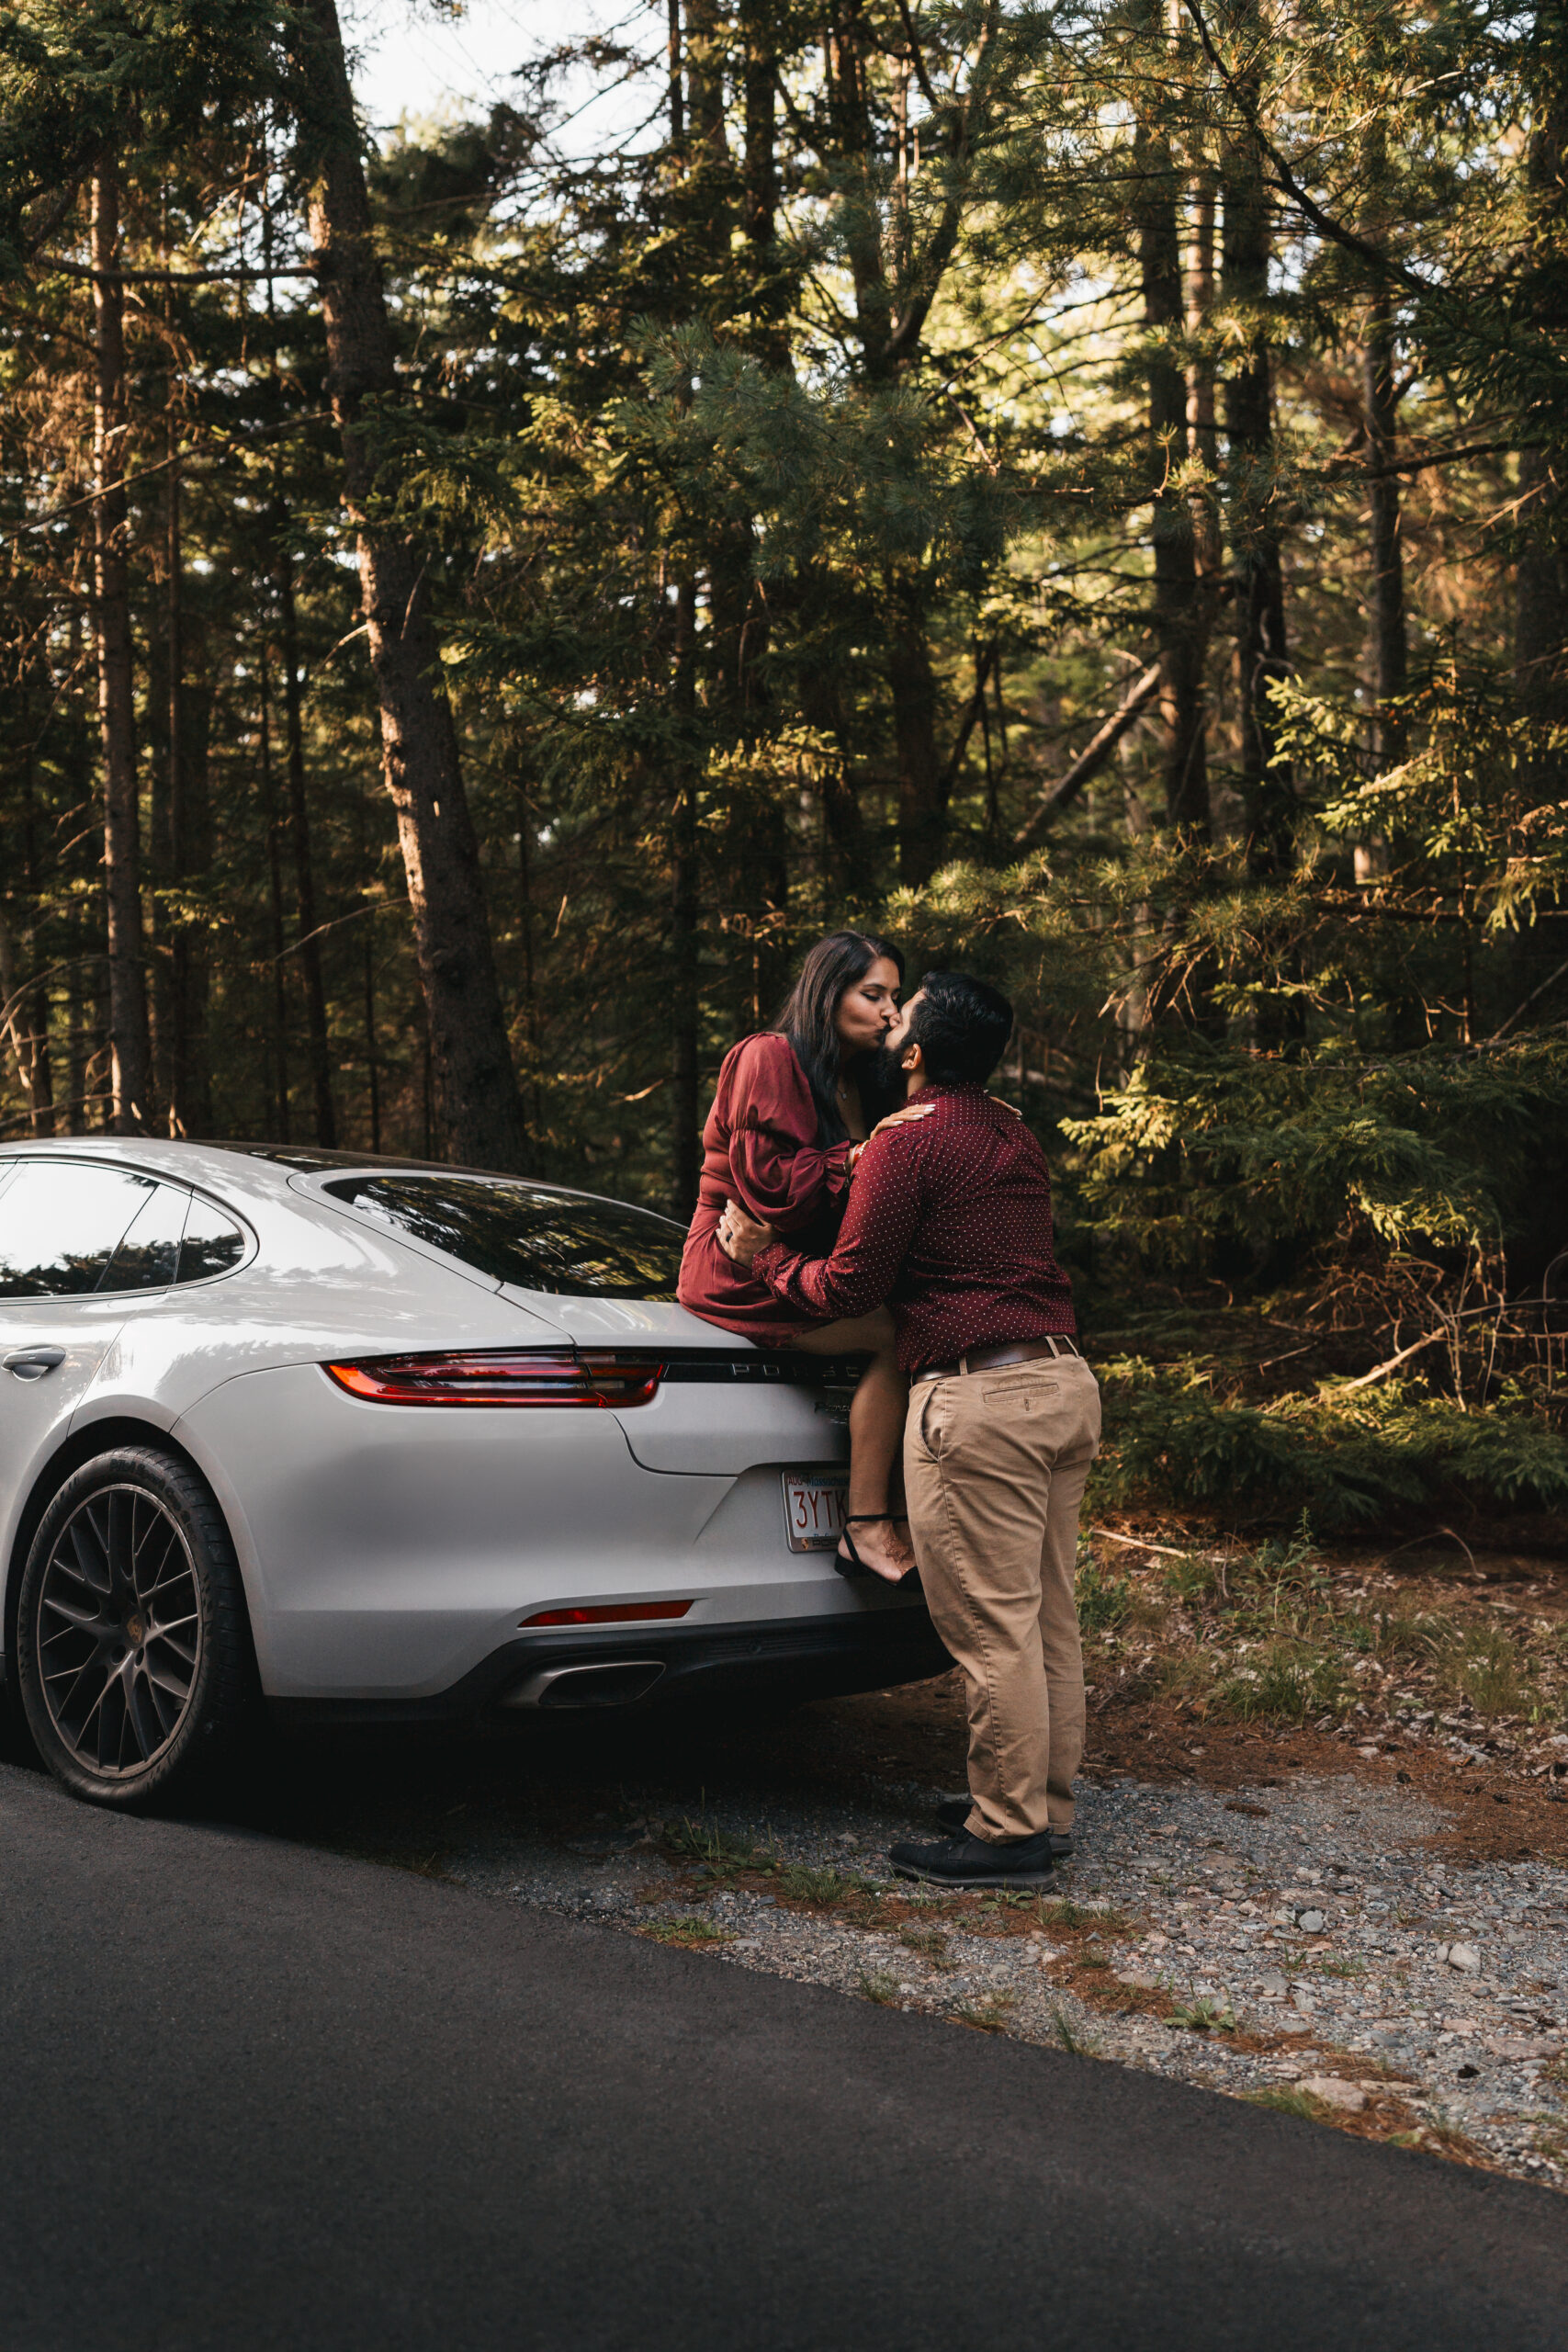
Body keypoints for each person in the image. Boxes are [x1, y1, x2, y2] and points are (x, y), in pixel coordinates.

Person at [716, 971, 1099, 1890]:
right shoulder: (1013, 1129)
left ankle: (1006, 1835)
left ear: (919, 1053)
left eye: (906, 1010)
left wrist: (766, 1262)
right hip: (1064, 1380)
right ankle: (1041, 1806)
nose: (890, 1019)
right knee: (1048, 1609)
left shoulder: (908, 1139)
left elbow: (852, 1285)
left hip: (981, 1398)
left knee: (990, 1624)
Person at [677, 931, 931, 1582]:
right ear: (826, 993)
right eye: (871, 994)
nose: (889, 1013)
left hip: (798, 1264)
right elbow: (772, 1193)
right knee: (896, 1336)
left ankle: (907, 1515)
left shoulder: (861, 1079)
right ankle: (867, 1525)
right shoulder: (769, 1056)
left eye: (895, 998)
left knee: (925, 1315)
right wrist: (857, 1153)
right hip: (736, 1259)